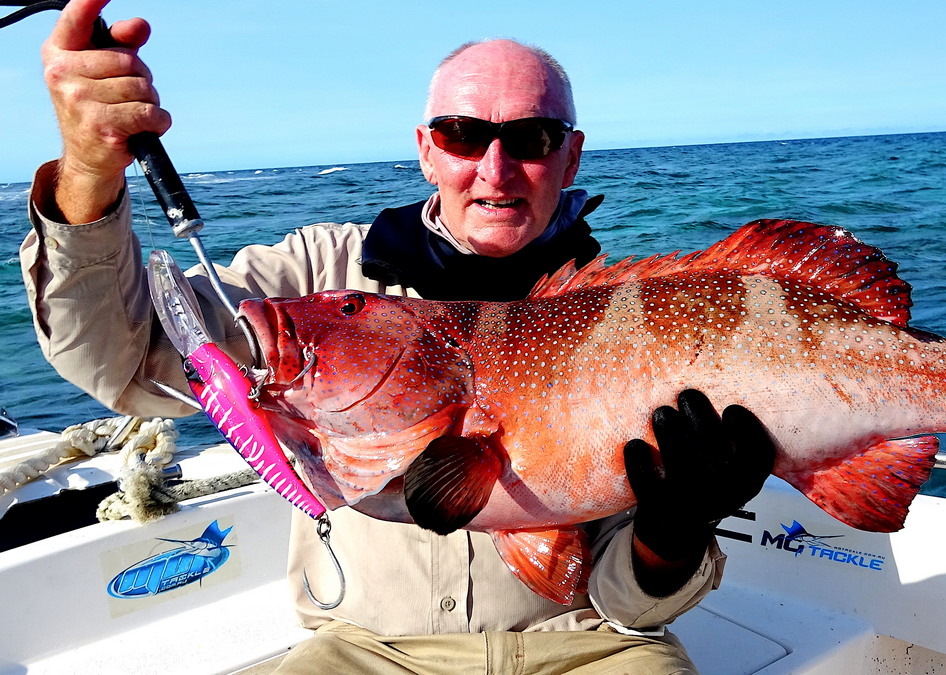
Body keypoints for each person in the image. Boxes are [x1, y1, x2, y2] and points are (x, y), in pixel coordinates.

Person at [20, 1, 774, 672]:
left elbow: (622, 606)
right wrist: (89, 170)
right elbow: (121, 358)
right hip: (365, 646)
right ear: (425, 148)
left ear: (570, 155)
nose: (495, 167)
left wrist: (671, 532)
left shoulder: (635, 319)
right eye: (463, 133)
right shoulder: (314, 282)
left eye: (533, 137)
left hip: (590, 642)